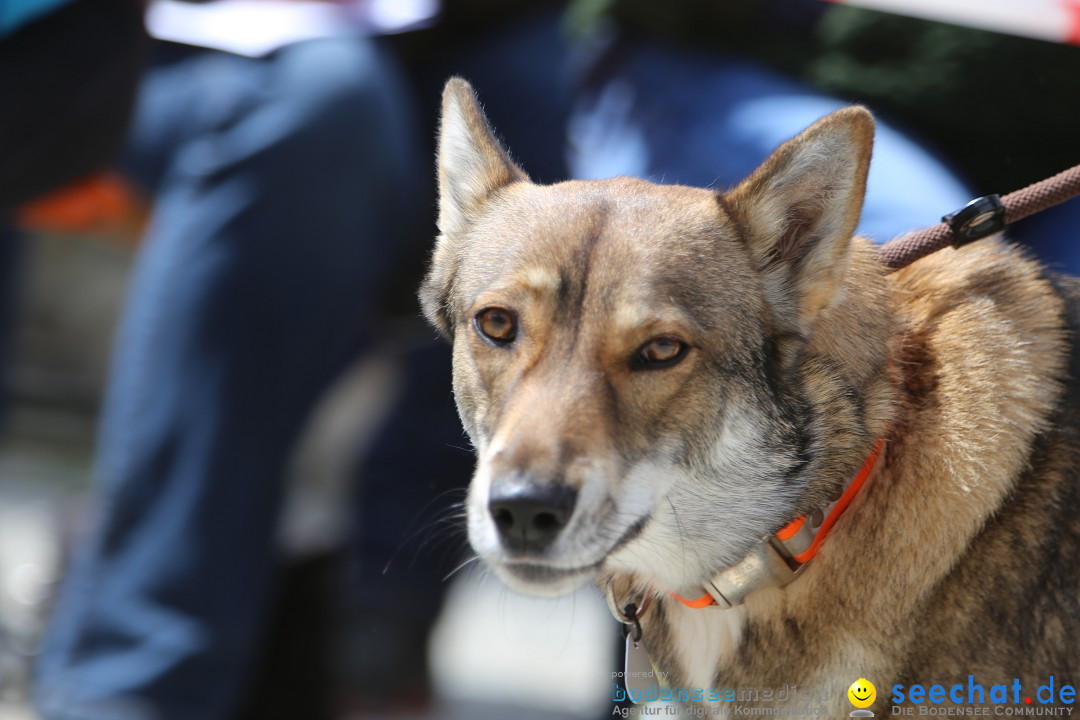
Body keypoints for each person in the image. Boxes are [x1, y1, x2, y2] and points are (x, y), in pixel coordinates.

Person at [32, 4, 428, 718]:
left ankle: (383, 622)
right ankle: (134, 680)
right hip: (92, 43)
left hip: (370, 51)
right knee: (322, 107)